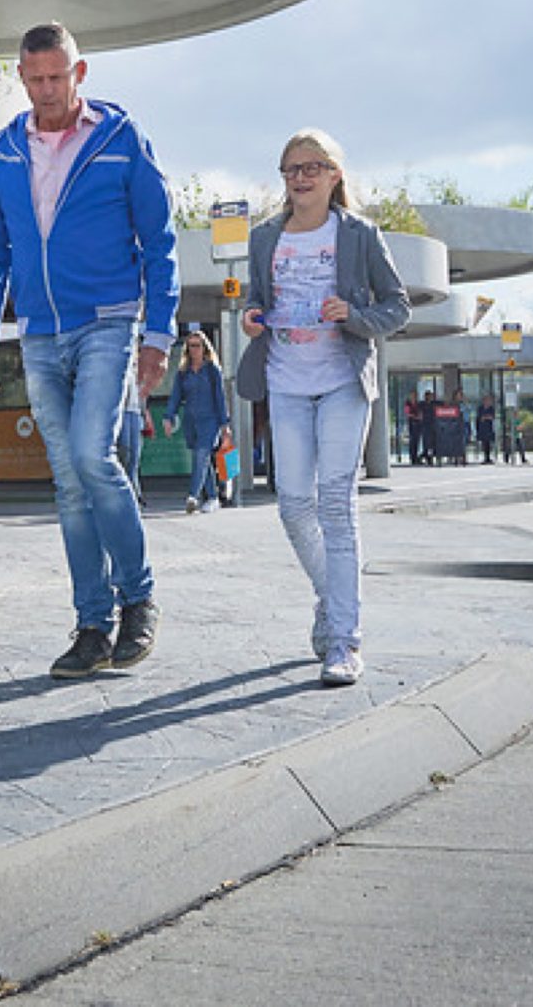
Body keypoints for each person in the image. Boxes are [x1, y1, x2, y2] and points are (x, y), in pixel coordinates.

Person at [0, 22, 179, 680]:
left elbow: (160, 241)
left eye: (57, 77)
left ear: (78, 74)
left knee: (92, 455)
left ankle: (137, 599)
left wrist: (158, 334)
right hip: (36, 331)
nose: (45, 90)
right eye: (33, 79)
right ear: (22, 79)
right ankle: (92, 624)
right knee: (67, 484)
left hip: (108, 321)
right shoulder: (3, 152)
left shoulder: (120, 140)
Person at [237, 128, 410, 687]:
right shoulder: (264, 238)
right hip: (285, 382)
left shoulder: (359, 235)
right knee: (292, 506)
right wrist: (252, 317)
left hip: (341, 382)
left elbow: (398, 307)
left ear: (335, 175)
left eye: (314, 166)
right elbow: (260, 299)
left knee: (335, 505)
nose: (302, 176)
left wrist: (353, 316)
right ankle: (331, 597)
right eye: (292, 168)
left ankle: (344, 640)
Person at [163, 329, 231, 514]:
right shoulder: (184, 372)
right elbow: (176, 395)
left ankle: (193, 496)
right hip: (191, 420)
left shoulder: (212, 370)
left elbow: (220, 397)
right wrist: (168, 417)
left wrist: (225, 425)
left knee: (201, 455)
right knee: (203, 459)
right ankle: (213, 497)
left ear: (205, 348)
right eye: (190, 346)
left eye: (197, 346)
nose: (194, 350)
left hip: (210, 420)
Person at [116, 345, 147, 507]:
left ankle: (136, 494)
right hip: (122, 412)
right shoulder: (119, 365)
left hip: (135, 412)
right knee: (124, 451)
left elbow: (142, 395)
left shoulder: (138, 371)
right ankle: (127, 493)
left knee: (135, 455)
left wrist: (145, 414)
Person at [404, 389, 423, 465]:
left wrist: (420, 416)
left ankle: (416, 456)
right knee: (412, 440)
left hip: (418, 423)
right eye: (413, 395)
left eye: (415, 395)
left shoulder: (418, 403)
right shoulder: (408, 403)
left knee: (417, 440)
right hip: (412, 423)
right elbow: (407, 413)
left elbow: (421, 411)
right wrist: (415, 417)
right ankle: (412, 457)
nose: (414, 396)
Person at [476, 393, 496, 463]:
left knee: (488, 443)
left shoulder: (491, 409)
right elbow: (479, 417)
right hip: (482, 428)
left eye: (489, 400)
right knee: (483, 443)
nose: (487, 401)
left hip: (489, 428)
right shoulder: (480, 408)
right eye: (486, 400)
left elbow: (492, 417)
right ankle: (485, 457)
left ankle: (488, 457)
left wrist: (486, 417)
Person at [420, 389, 437, 465]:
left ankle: (431, 456)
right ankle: (426, 456)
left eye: (431, 396)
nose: (430, 397)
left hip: (433, 425)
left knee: (432, 442)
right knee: (426, 442)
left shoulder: (434, 404)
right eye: (428, 396)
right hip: (425, 425)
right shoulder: (422, 405)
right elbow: (420, 414)